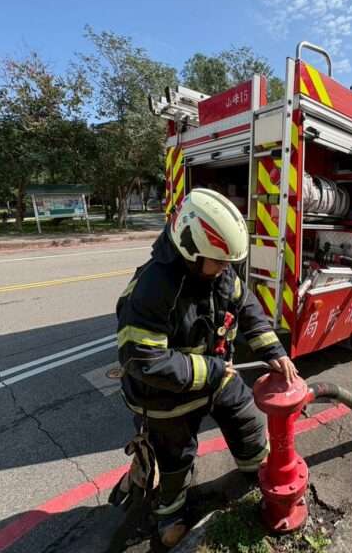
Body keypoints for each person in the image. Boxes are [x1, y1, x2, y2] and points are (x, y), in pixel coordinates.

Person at [114, 188, 298, 548]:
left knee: (245, 419)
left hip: (216, 375)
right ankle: (170, 515)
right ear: (189, 249)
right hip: (165, 397)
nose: (226, 268)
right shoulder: (152, 288)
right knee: (174, 460)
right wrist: (214, 370)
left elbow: (246, 308)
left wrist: (273, 349)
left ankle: (256, 475)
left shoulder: (217, 271)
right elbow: (144, 361)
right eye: (219, 261)